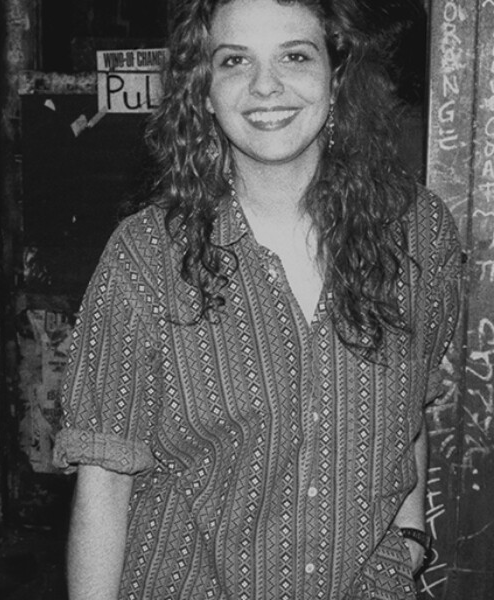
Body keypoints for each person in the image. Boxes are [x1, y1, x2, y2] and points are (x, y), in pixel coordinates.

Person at [53, 0, 461, 598]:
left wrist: (410, 539)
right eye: (235, 61)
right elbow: (104, 482)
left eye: (295, 56)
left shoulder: (418, 233)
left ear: (336, 74)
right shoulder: (147, 257)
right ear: (205, 90)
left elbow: (410, 412)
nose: (266, 86)